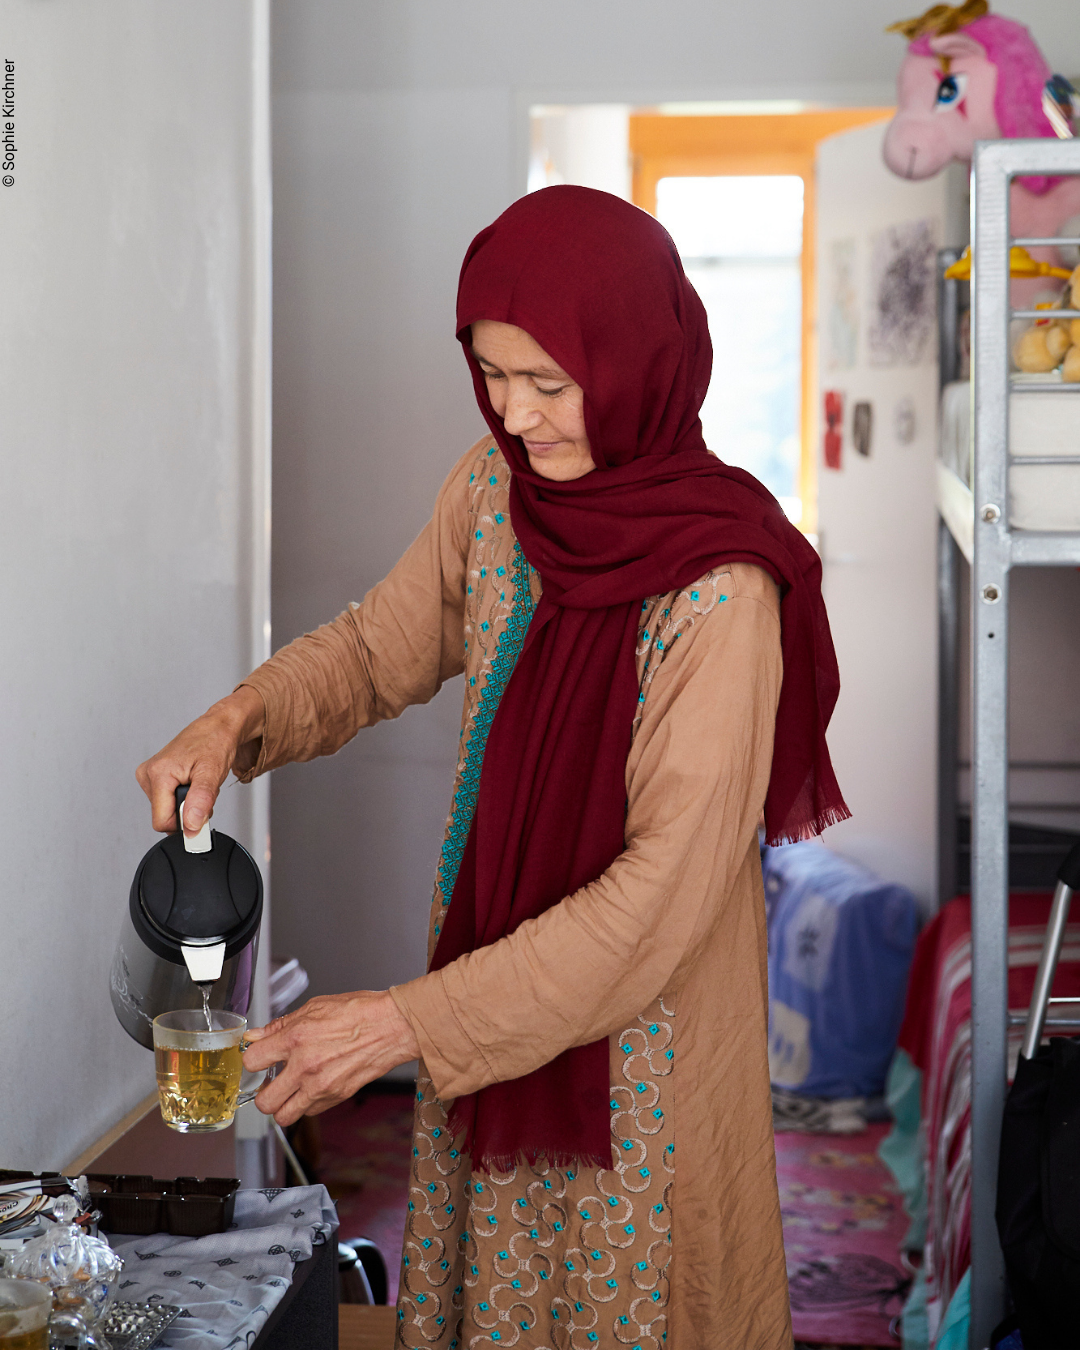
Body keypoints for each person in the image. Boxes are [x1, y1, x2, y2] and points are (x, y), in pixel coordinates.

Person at [137, 185, 848, 1350]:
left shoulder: (722, 590)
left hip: (641, 1076)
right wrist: (237, 721)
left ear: (634, 366)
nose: (515, 414)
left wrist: (401, 1025)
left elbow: (659, 897)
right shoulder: (494, 494)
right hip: (490, 1017)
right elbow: (379, 649)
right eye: (491, 374)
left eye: (550, 383)